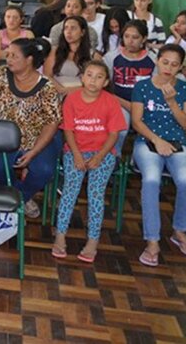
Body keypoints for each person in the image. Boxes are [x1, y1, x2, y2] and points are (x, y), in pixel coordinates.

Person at [0, 38, 62, 219]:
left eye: (14, 56)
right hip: (2, 138)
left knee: (44, 170)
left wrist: (33, 152)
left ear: (29, 60)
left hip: (37, 140)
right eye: (7, 55)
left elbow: (52, 122)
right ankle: (19, 196)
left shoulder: (47, 87)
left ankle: (17, 198)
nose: (8, 59)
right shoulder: (1, 74)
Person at [131, 44, 186, 266]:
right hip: (147, 142)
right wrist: (156, 140)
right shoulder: (142, 87)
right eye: (165, 62)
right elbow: (137, 121)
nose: (169, 67)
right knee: (151, 180)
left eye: (174, 64)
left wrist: (171, 102)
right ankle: (152, 240)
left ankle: (179, 231)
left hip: (177, 144)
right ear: (157, 61)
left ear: (180, 67)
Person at [52, 60, 125, 263]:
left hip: (102, 153)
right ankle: (60, 236)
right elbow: (68, 130)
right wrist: (76, 154)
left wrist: (99, 156)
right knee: (69, 191)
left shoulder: (110, 101)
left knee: (95, 194)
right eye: (89, 75)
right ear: (82, 78)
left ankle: (93, 241)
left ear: (106, 81)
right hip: (75, 150)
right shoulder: (72, 99)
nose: (93, 80)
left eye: (99, 76)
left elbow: (113, 134)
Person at [103, 20, 156, 152]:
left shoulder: (153, 60)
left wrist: (141, 107)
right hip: (118, 102)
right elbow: (104, 85)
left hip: (145, 105)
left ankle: (138, 158)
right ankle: (115, 156)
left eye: (135, 37)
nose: (130, 41)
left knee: (150, 128)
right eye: (126, 36)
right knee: (121, 127)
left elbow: (156, 88)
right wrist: (125, 104)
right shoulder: (111, 57)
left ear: (144, 39)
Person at [44, 16, 96, 94]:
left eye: (73, 28)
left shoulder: (92, 55)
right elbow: (47, 75)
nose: (68, 32)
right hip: (57, 92)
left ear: (82, 32)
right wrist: (61, 89)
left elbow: (96, 81)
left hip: (82, 94)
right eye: (66, 28)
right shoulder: (55, 51)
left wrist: (72, 90)